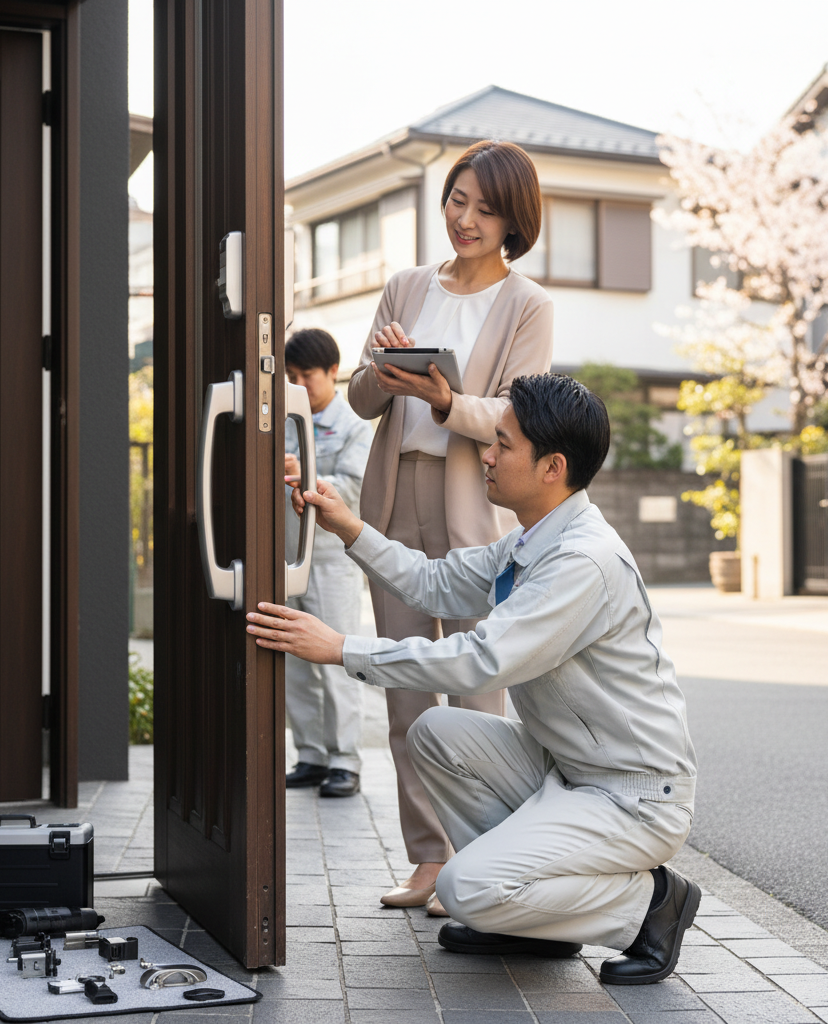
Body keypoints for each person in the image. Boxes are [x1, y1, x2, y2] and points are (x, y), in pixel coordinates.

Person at [246, 373, 701, 986]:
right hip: (569, 773)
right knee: (437, 730)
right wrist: (349, 527)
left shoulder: (581, 562)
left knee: (464, 887)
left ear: (552, 467)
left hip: (632, 797)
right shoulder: (532, 539)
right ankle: (531, 920)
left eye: (502, 444)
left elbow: (478, 660)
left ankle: (650, 907)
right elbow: (435, 582)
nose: (485, 454)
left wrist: (342, 648)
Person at [347, 139, 553, 911]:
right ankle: (428, 861)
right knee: (404, 688)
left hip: (475, 505)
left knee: (477, 692)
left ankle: (479, 862)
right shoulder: (404, 286)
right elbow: (363, 401)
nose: (466, 219)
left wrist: (441, 400)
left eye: (486, 208)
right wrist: (383, 372)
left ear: (514, 220)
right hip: (395, 498)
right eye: (458, 200)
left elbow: (514, 411)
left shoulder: (529, 304)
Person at [282, 328, 372, 797]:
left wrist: (306, 475)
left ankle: (345, 761)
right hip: (285, 553)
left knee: (337, 659)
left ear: (333, 372)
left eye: (307, 375)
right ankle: (312, 755)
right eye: (290, 375)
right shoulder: (278, 420)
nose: (298, 383)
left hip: (331, 560)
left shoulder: (355, 425)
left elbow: (355, 489)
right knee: (294, 659)